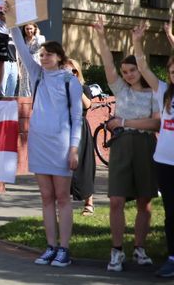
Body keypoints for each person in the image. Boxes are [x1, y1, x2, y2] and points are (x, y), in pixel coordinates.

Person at [11, 20, 81, 268]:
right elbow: (20, 46)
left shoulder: (70, 80)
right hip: (39, 143)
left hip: (61, 145)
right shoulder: (37, 74)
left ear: (60, 57)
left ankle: (64, 248)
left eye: (48, 54)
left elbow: (77, 117)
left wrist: (74, 147)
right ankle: (50, 247)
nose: (43, 58)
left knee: (63, 197)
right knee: (46, 197)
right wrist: (12, 23)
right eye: (41, 55)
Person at [93, 17, 158, 272]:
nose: (128, 75)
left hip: (145, 147)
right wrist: (101, 35)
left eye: (132, 70)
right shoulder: (120, 90)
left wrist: (125, 120)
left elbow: (155, 125)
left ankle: (140, 249)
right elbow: (108, 63)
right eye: (125, 72)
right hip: (121, 146)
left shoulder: (154, 93)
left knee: (145, 201)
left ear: (141, 69)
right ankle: (117, 251)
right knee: (116, 200)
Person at [146, 26, 174, 277]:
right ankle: (172, 257)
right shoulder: (165, 92)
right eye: (172, 70)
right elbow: (144, 69)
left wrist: (171, 39)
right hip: (164, 162)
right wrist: (135, 42)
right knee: (170, 213)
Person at [65, 59, 95, 216]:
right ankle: (63, 202)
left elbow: (87, 105)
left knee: (84, 165)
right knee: (64, 166)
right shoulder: (61, 89)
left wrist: (75, 85)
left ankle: (89, 202)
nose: (71, 74)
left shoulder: (84, 88)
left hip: (80, 128)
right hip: (64, 128)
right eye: (67, 71)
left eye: (74, 71)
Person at [17, 23, 45, 97]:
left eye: (31, 29)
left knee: (36, 84)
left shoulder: (41, 38)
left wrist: (37, 35)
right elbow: (19, 55)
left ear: (35, 29)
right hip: (25, 66)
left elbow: (39, 45)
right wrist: (18, 69)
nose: (29, 31)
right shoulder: (22, 40)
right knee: (25, 87)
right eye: (27, 29)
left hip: (36, 63)